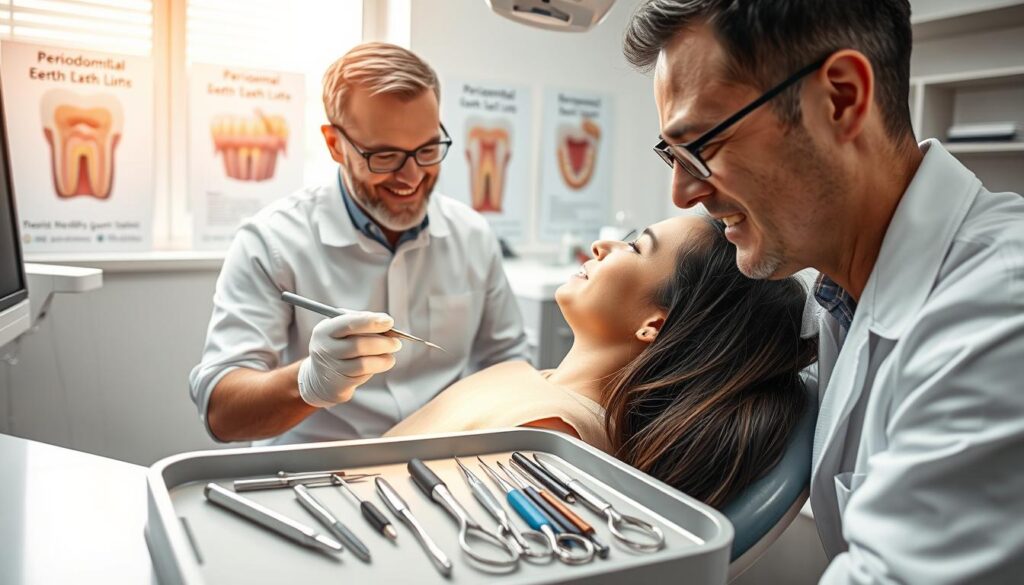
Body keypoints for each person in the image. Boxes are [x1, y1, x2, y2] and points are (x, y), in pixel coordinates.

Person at [623, 1, 1024, 582]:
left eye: (701, 145)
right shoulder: (842, 293)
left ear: (839, 99)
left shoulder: (997, 314)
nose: (683, 192)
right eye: (672, 153)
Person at [189, 42, 527, 445]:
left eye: (427, 150)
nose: (412, 177)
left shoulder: (472, 235)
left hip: (443, 461)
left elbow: (508, 365)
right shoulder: (271, 242)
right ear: (335, 144)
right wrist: (310, 382)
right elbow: (221, 412)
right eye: (384, 156)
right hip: (316, 472)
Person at [387, 214, 816, 508]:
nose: (602, 244)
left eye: (634, 245)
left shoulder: (552, 435)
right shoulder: (539, 388)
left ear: (654, 323)